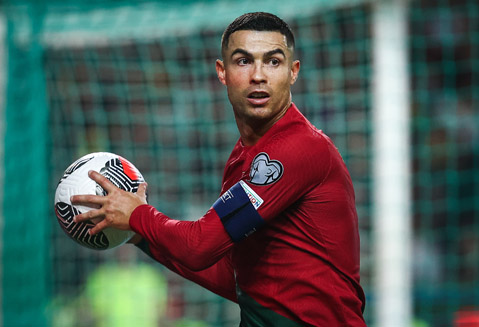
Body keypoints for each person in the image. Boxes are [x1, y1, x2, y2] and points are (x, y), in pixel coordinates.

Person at [72, 12, 366, 326]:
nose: (258, 75)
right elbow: (237, 279)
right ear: (221, 72)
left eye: (273, 62)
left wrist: (138, 216)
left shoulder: (300, 148)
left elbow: (199, 246)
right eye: (243, 61)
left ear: (293, 72)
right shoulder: (242, 160)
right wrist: (137, 236)